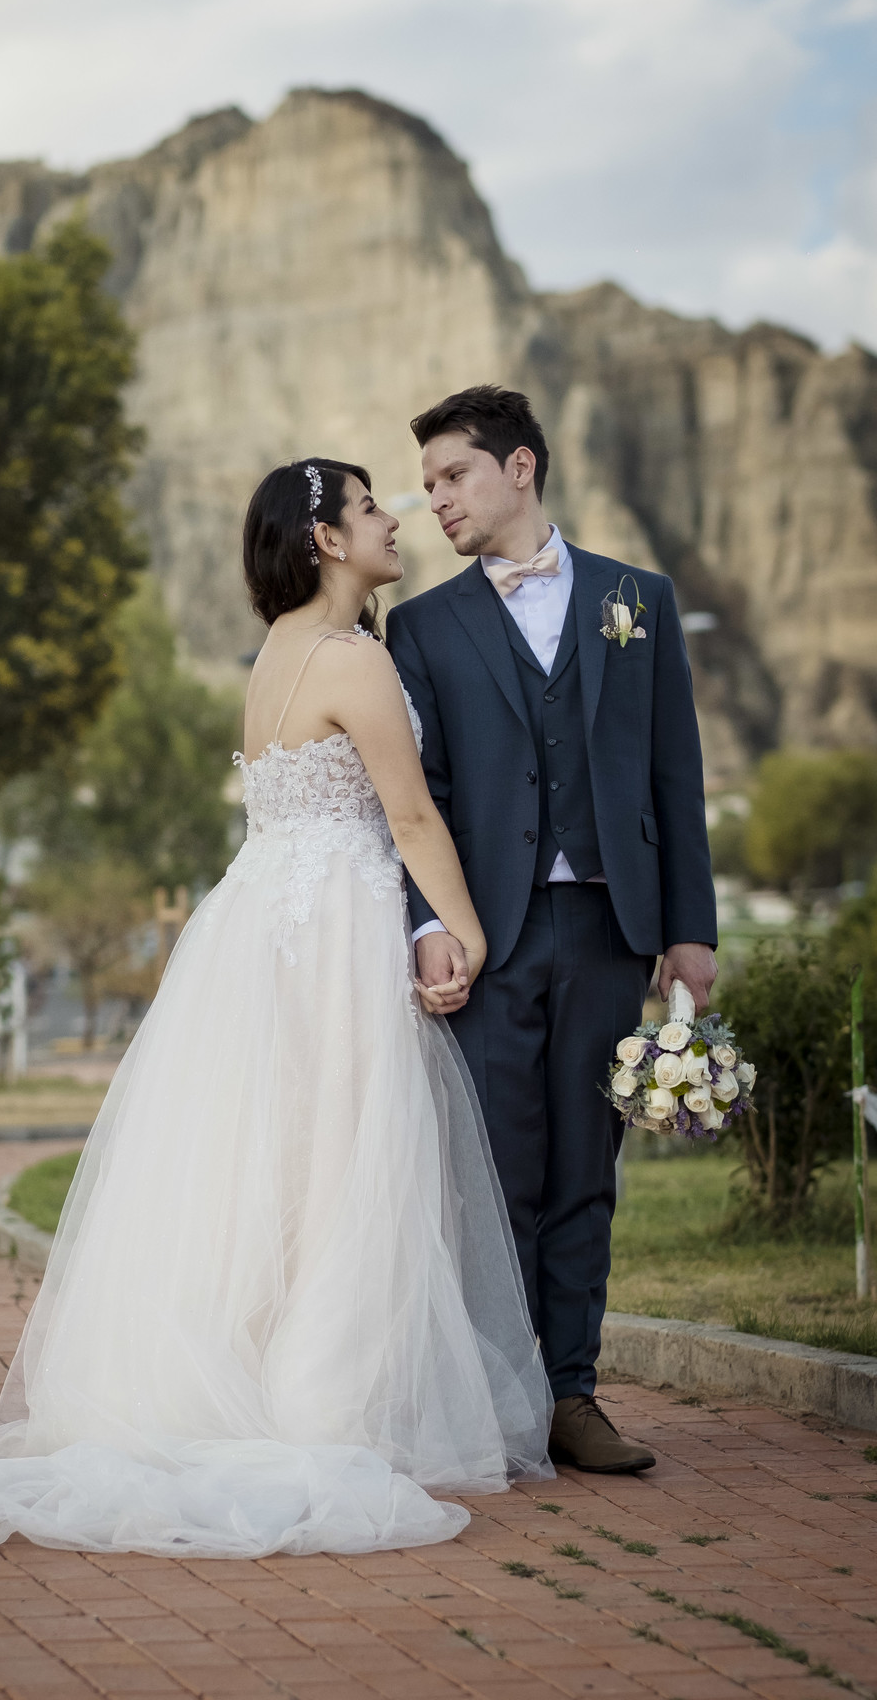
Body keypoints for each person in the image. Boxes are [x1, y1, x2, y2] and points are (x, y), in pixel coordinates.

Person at [0, 457, 552, 1560]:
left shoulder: (277, 658)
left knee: (277, 1163)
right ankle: (322, 1404)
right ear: (329, 542)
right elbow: (412, 818)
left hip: (265, 925)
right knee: (343, 1162)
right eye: (369, 506)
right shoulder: (352, 660)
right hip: (333, 928)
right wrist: (468, 931)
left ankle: (263, 1377)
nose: (393, 517)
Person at [387, 386, 719, 1475]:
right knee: (494, 1173)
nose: (435, 499)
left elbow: (676, 772)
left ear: (519, 468)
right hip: (488, 936)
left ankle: (574, 1396)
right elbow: (417, 797)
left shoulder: (640, 600)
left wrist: (690, 931)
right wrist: (431, 923)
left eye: (453, 475)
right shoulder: (422, 626)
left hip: (609, 928)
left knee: (588, 1168)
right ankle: (497, 1398)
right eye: (428, 483)